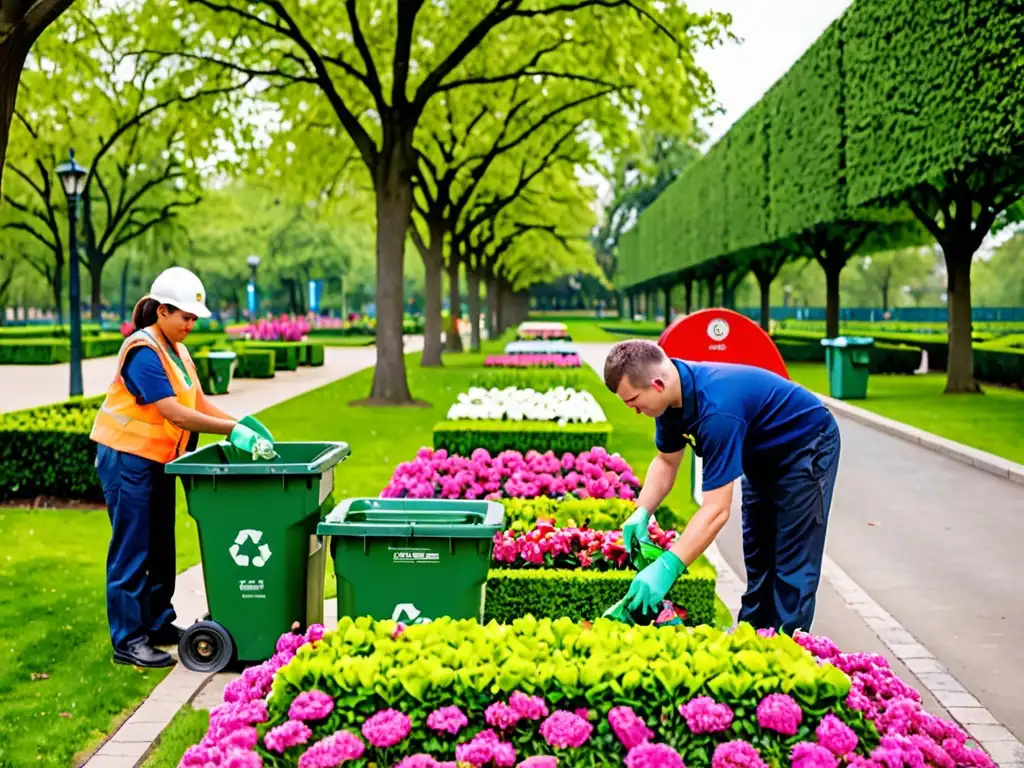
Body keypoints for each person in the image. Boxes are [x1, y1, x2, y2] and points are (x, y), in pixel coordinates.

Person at [90, 267, 275, 668]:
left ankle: (157, 624)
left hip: (159, 461)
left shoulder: (176, 349)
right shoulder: (143, 352)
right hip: (126, 459)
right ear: (162, 311)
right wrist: (231, 432)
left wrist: (240, 422)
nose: (191, 324)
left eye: (194, 318)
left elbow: (198, 404)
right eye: (185, 317)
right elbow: (175, 412)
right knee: (132, 548)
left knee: (160, 547)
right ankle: (128, 640)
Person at [604, 339, 841, 635]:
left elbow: (716, 510)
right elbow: (666, 462)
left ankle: (786, 652)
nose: (634, 410)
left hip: (806, 445)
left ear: (657, 384)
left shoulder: (716, 410)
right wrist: (641, 512)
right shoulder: (669, 403)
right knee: (759, 554)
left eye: (633, 400)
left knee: (791, 560)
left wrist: (667, 567)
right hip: (759, 455)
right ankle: (750, 640)